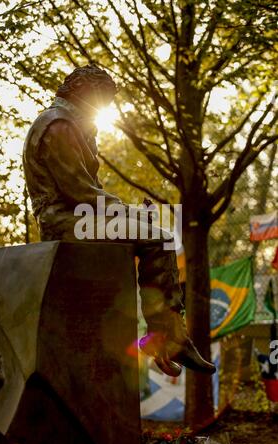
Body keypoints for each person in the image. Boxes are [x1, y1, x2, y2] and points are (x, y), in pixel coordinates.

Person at [23, 63, 215, 377]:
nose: (103, 109)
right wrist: (129, 213)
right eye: (102, 101)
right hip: (66, 222)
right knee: (160, 238)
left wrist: (129, 213)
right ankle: (168, 338)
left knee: (155, 234)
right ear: (85, 92)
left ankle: (166, 336)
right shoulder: (58, 125)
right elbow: (80, 192)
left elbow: (87, 192)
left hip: (77, 218)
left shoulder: (70, 124)